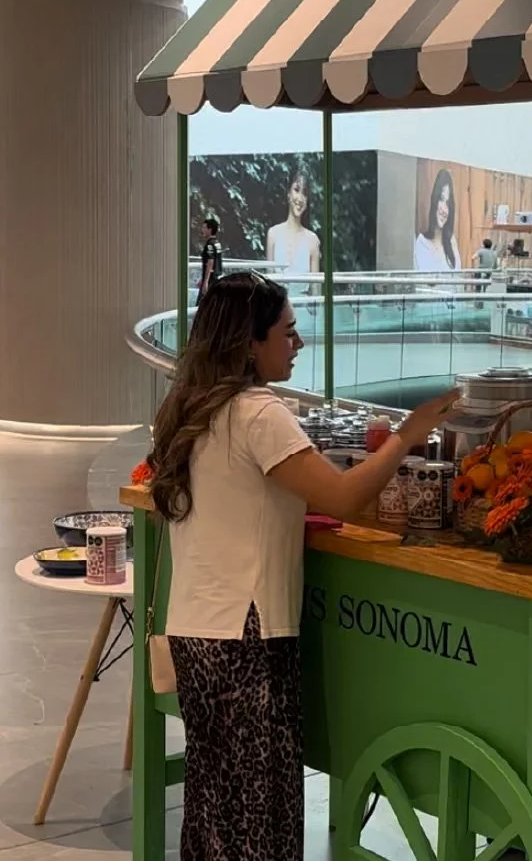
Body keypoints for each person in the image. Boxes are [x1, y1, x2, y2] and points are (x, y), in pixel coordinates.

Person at [148, 272, 457, 861]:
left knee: (214, 814)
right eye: (288, 332)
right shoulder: (259, 413)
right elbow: (342, 498)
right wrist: (408, 435)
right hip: (247, 635)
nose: (299, 343)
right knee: (261, 820)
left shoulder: (188, 407)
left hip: (197, 629)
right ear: (248, 344)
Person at [266, 168, 321, 275]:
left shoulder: (313, 241)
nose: (300, 199)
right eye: (296, 190)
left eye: (304, 193)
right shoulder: (273, 234)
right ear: (288, 194)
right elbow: (268, 286)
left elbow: (316, 290)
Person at [414, 168, 461, 271]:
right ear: (434, 200)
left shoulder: (452, 242)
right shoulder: (422, 243)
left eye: (448, 204)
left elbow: (459, 281)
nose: (444, 209)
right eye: (441, 199)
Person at [197, 217, 223, 305]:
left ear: (210, 229)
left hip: (210, 280)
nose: (202, 230)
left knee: (202, 307)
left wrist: (206, 282)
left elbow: (210, 262)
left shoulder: (209, 245)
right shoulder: (217, 243)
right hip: (216, 279)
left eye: (204, 228)